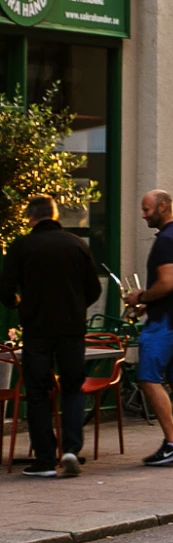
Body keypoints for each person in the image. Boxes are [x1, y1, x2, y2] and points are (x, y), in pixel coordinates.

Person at [0, 195, 101, 478]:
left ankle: (44, 459)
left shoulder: (22, 246)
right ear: (55, 215)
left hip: (37, 330)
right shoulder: (77, 244)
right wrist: (74, 306)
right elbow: (94, 289)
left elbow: (5, 289)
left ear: (31, 217)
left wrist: (19, 304)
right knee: (72, 387)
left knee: (37, 392)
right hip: (71, 329)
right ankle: (70, 449)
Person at [124, 190, 173, 467]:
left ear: (162, 206)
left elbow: (168, 282)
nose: (144, 215)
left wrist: (141, 298)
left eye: (147, 210)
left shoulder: (167, 240)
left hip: (168, 321)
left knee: (148, 378)